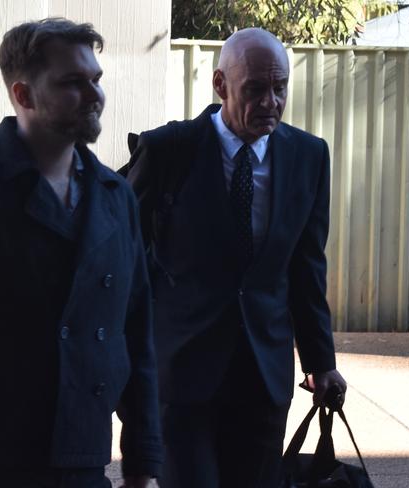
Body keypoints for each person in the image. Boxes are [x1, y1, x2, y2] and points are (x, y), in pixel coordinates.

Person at [0, 18, 162, 488]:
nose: (93, 94)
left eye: (95, 80)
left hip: (84, 461)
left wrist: (143, 464)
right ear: (23, 95)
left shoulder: (115, 196)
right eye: (71, 83)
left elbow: (135, 335)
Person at [126, 27, 347, 488]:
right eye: (255, 89)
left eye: (279, 87)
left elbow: (306, 266)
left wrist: (320, 361)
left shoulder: (308, 156)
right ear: (221, 84)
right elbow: (125, 253)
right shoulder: (169, 150)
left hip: (263, 376)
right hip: (181, 373)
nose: (270, 101)